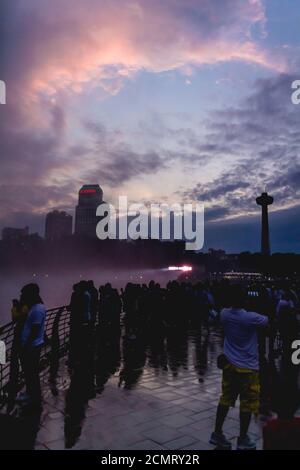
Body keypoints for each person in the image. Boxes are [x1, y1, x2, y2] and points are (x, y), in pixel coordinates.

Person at [210, 285, 268, 450]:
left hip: (229, 365)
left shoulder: (224, 314)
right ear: (244, 299)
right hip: (248, 367)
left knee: (225, 399)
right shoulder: (250, 317)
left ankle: (217, 433)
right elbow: (267, 320)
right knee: (247, 403)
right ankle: (243, 438)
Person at [19, 283, 46, 407]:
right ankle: (31, 394)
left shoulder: (37, 309)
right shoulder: (36, 307)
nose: (22, 296)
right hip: (33, 345)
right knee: (30, 373)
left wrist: (26, 346)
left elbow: (35, 330)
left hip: (32, 347)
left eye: (24, 294)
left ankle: (33, 398)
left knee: (31, 373)